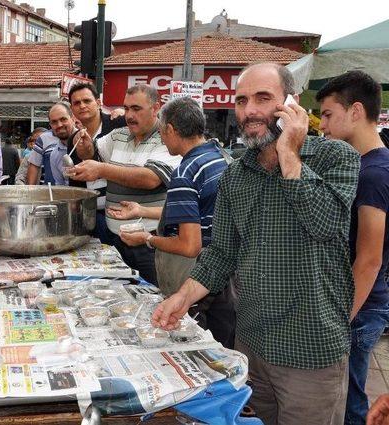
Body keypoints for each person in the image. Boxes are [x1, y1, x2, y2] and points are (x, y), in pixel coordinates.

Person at [152, 62, 360, 425]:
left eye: (263, 98)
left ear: (290, 104)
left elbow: (326, 225)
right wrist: (181, 298)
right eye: (242, 100)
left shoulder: (335, 157)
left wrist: (290, 154)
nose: (250, 111)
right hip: (251, 345)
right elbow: (221, 253)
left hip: (310, 351)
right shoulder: (235, 173)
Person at [107, 97, 235, 347]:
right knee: (221, 343)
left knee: (195, 344)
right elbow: (194, 212)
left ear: (170, 130)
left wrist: (147, 239)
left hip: (199, 278)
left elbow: (189, 245)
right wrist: (141, 210)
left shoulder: (185, 173)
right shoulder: (218, 158)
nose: (162, 140)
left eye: (162, 132)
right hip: (224, 276)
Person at [316, 70, 389, 425]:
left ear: (356, 111)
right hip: (361, 303)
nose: (323, 126)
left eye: (328, 115)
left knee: (347, 403)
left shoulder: (374, 173)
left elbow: (370, 258)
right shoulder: (363, 165)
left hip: (359, 308)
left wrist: (340, 320)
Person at [72, 84, 180, 284]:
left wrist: (103, 169)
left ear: (156, 108)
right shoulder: (119, 135)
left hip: (149, 243)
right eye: (127, 108)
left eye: (136, 109)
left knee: (155, 297)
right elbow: (90, 154)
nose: (129, 115)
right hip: (115, 240)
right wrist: (84, 143)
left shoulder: (166, 138)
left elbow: (150, 178)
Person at [68, 82, 126, 244]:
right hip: (91, 214)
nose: (82, 106)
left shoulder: (118, 124)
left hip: (121, 212)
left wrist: (125, 112)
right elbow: (75, 180)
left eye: (87, 101)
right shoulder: (74, 138)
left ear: (98, 103)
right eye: (77, 103)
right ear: (72, 109)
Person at [26, 103, 79, 186]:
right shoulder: (48, 144)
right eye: (54, 122)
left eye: (63, 119)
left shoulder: (84, 140)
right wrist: (29, 193)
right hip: (53, 193)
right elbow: (34, 166)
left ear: (73, 119)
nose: (59, 125)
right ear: (50, 125)